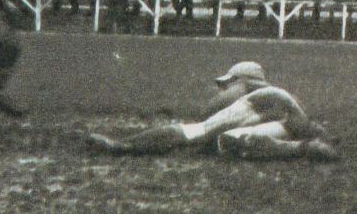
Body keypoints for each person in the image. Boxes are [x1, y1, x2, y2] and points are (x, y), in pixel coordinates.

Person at [85, 61, 338, 160]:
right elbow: (298, 119)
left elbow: (207, 115)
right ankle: (306, 147)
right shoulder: (274, 97)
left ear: (240, 81)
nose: (222, 90)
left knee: (198, 131)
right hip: (288, 118)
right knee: (233, 141)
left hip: (274, 105)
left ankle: (124, 146)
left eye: (227, 83)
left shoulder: (249, 91)